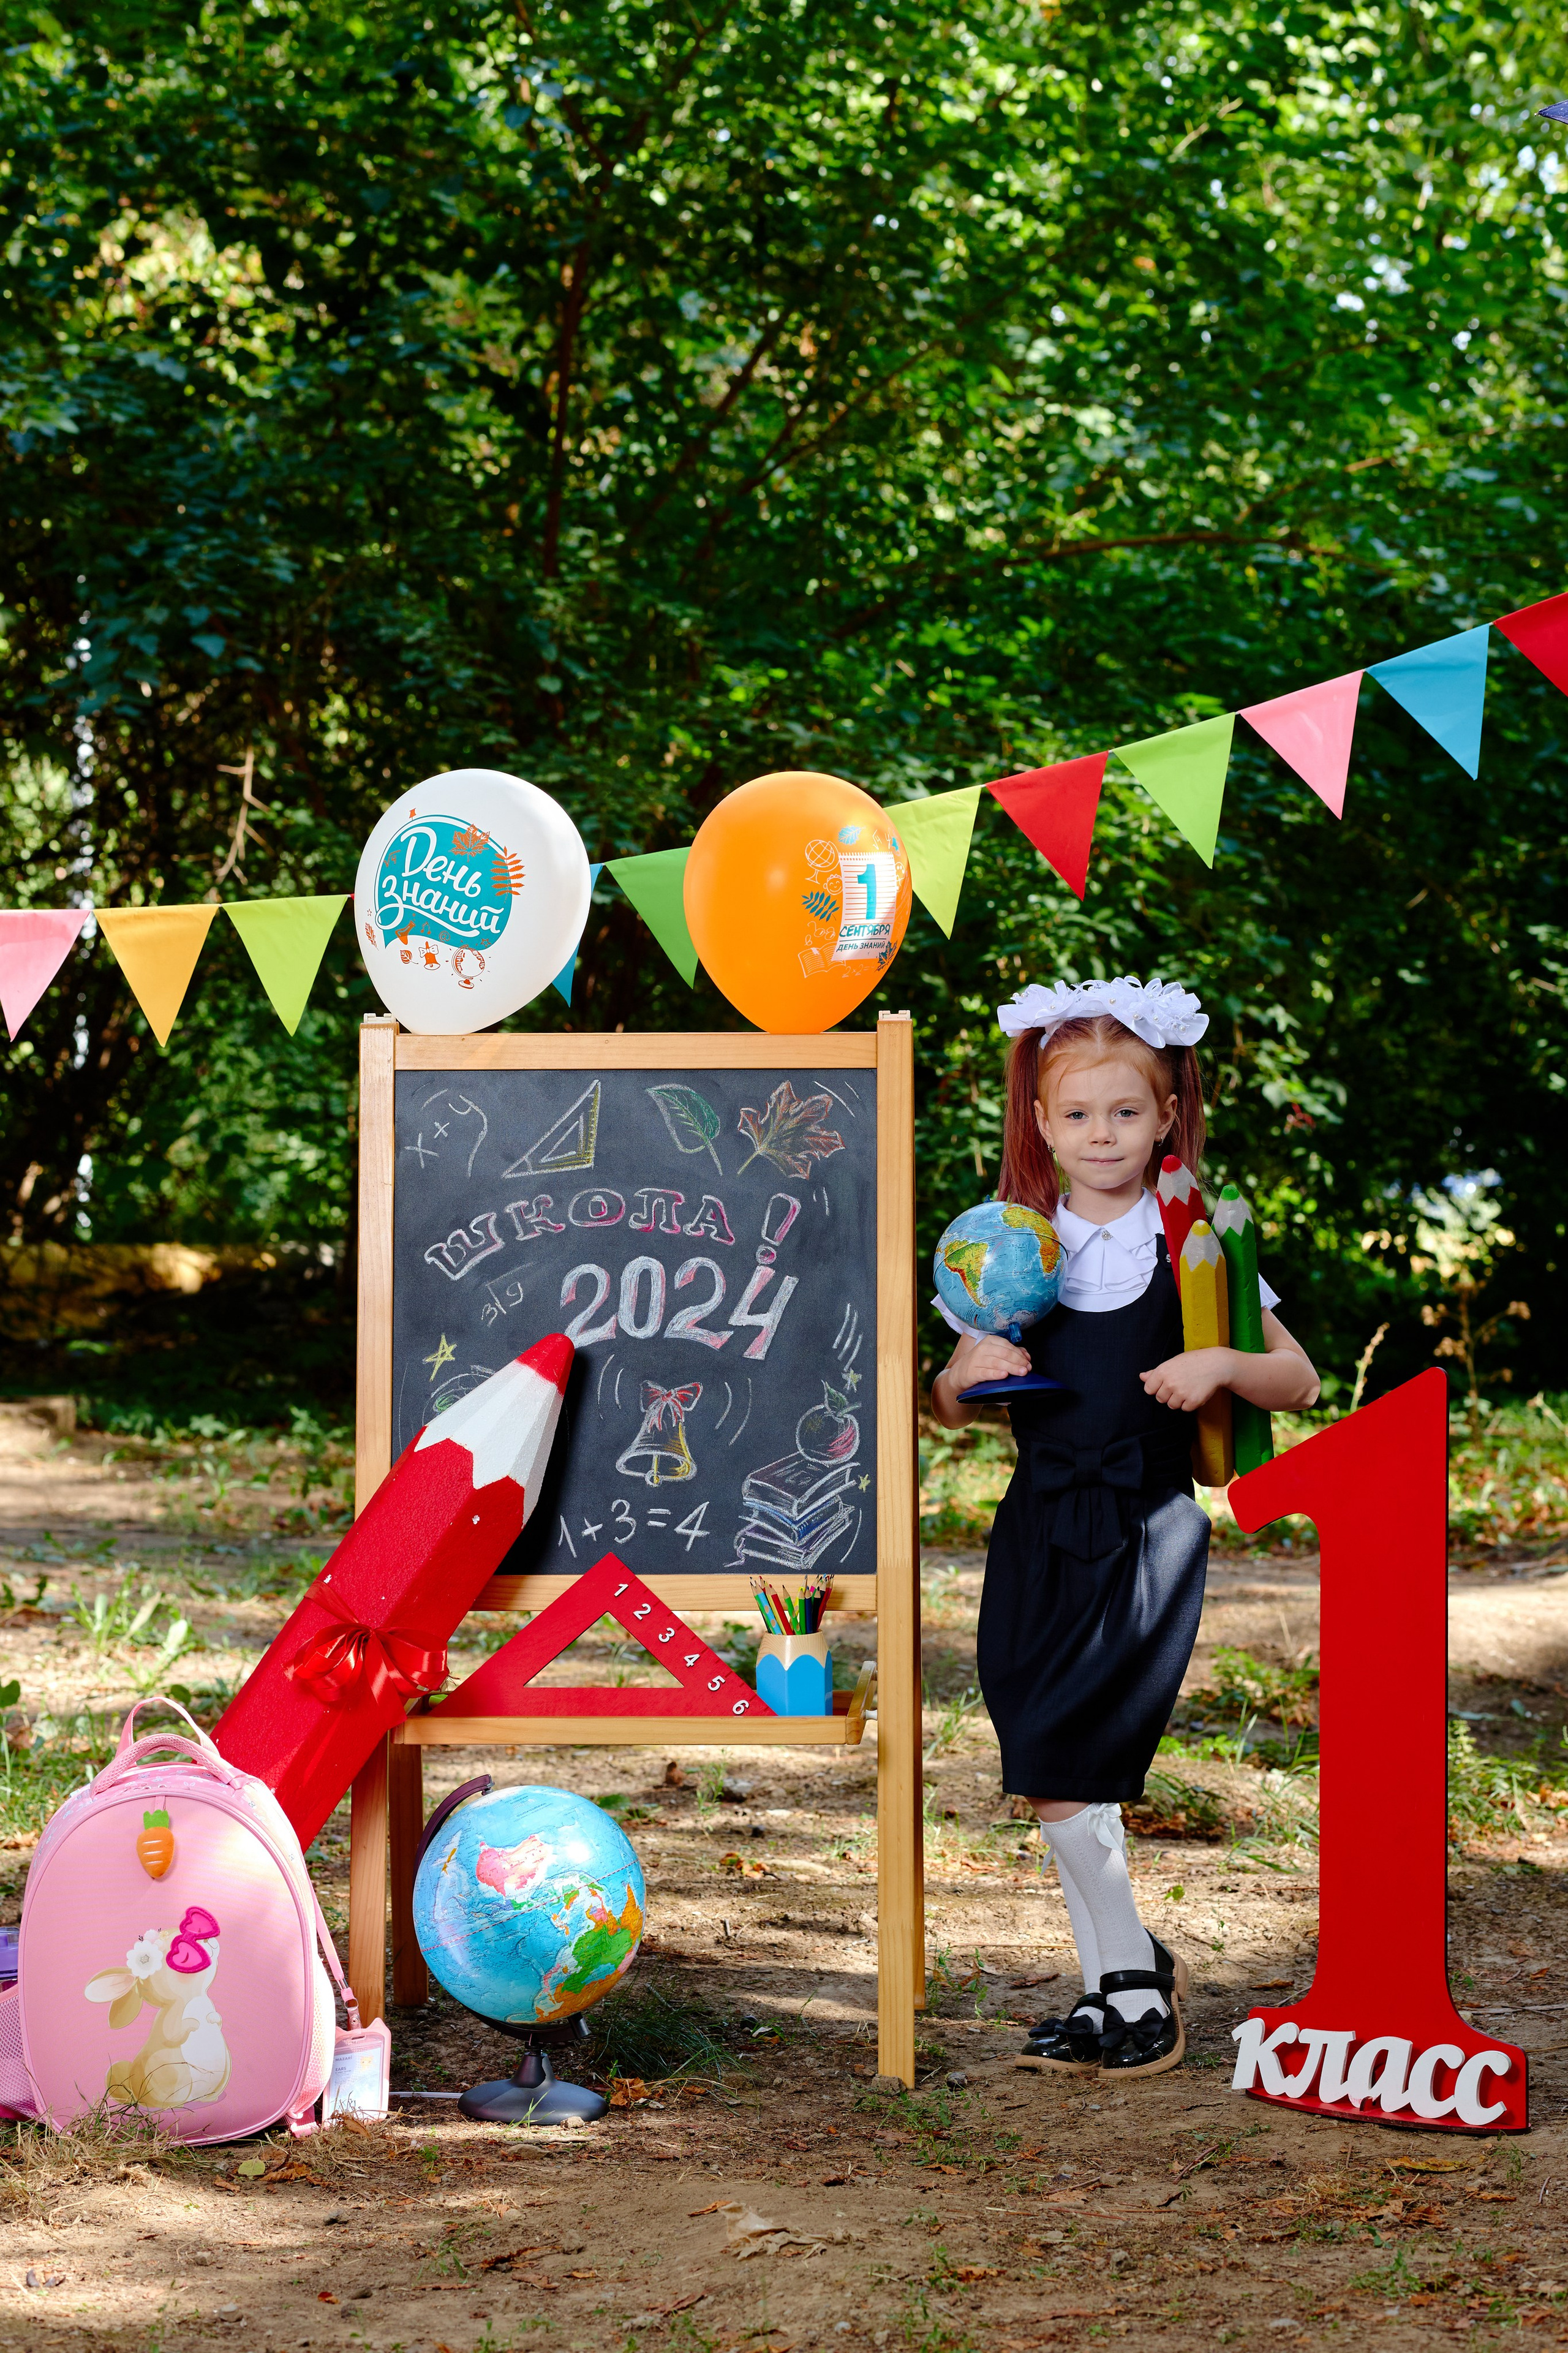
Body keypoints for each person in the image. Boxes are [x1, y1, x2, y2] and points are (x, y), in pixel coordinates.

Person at [930, 976, 1320, 2079]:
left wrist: (1222, 1363)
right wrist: (966, 1368)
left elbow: (1296, 1375)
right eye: (1079, 1115)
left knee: (1077, 1757)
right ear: (1042, 1124)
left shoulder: (1193, 1242)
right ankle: (1121, 1971)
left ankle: (1132, 1990)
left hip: (1146, 1529)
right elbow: (947, 1404)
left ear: (1167, 1116)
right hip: (1038, 1529)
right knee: (1040, 1751)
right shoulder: (1011, 1248)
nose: (1104, 1136)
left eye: (1128, 1113)